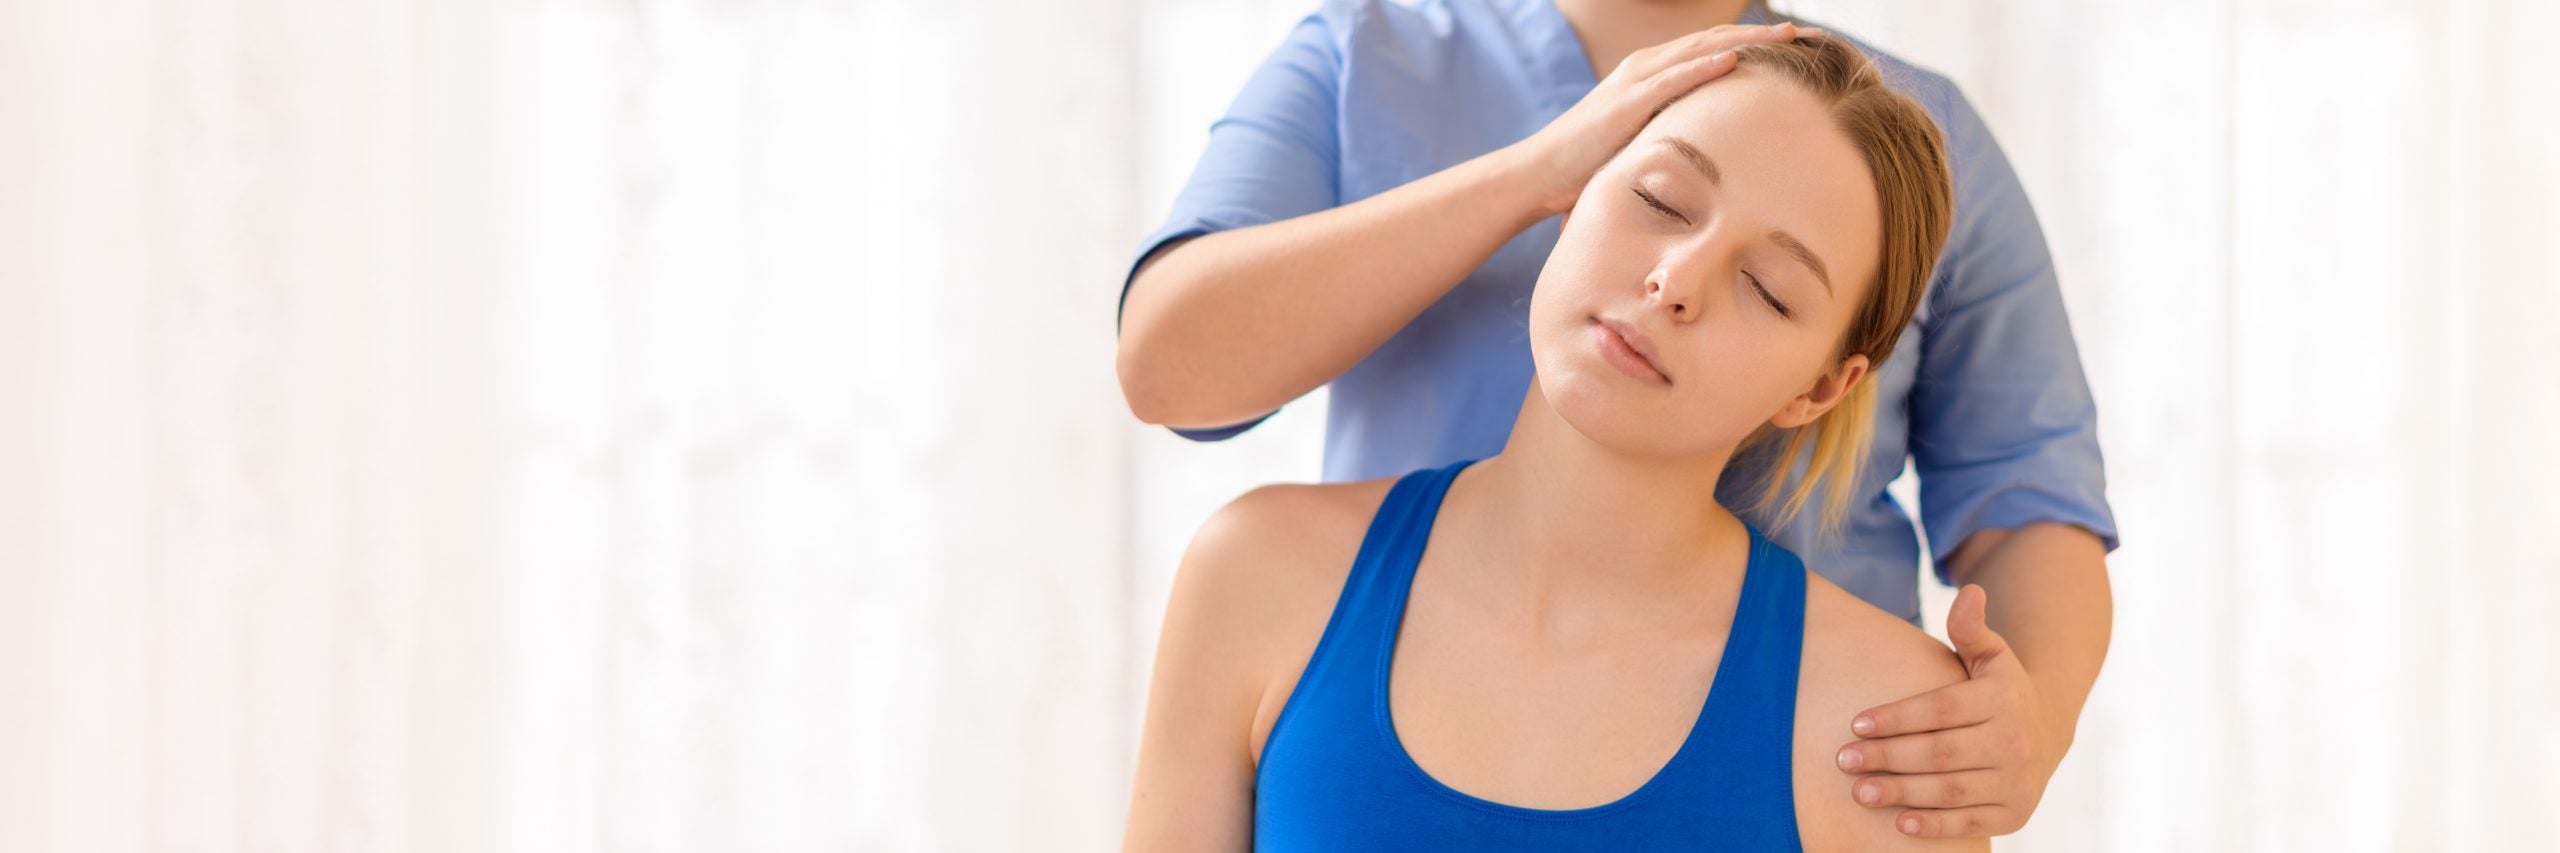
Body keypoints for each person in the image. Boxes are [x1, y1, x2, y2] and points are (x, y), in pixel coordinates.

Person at [1115, 0, 2114, 838]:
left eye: (1767, 289)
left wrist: (2023, 720)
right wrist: (1535, 168)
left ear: (1821, 386)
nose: (1673, 283)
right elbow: (1170, 360)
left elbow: (2027, 482)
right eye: (1654, 198)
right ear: (1575, 201)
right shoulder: (1368, 52)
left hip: (1781, 752)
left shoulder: (1868, 723)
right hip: (1359, 687)